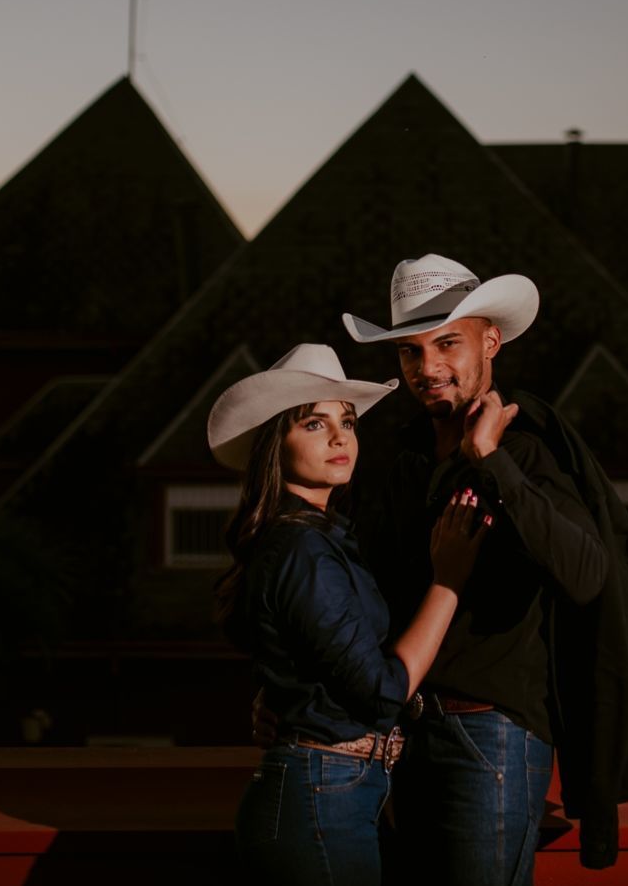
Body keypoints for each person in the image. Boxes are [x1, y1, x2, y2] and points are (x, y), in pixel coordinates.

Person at [340, 254, 628, 882]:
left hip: (489, 736)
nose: (428, 367)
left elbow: (588, 575)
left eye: (448, 343)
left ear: (490, 342)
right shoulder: (401, 460)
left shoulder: (527, 451)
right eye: (410, 351)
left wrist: (491, 461)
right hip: (399, 738)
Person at [210, 343, 489, 886]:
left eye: (348, 422)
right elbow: (383, 693)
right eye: (314, 424)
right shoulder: (302, 549)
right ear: (275, 444)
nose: (340, 437)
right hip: (320, 794)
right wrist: (449, 581)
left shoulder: (326, 539)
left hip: (339, 790)